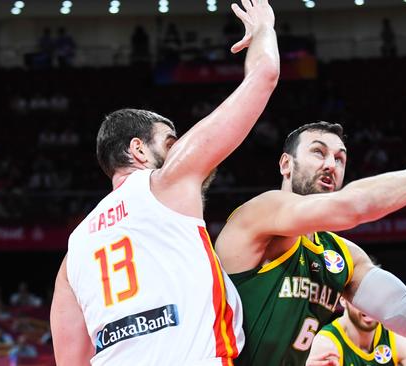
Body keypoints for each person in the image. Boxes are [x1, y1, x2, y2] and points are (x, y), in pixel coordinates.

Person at [49, 0, 279, 364]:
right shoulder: (166, 183)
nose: (179, 152)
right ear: (139, 150)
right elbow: (264, 75)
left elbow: (69, 360)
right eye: (171, 143)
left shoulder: (73, 252)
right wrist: (264, 27)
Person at [215, 122, 406, 365]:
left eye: (340, 158)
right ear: (286, 164)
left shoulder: (341, 256)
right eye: (318, 152)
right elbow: (352, 207)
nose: (331, 165)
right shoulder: (261, 212)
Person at [307, 297, 406, 366]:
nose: (369, 306)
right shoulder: (327, 343)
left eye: (375, 298)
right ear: (343, 299)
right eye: (361, 297)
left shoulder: (396, 335)